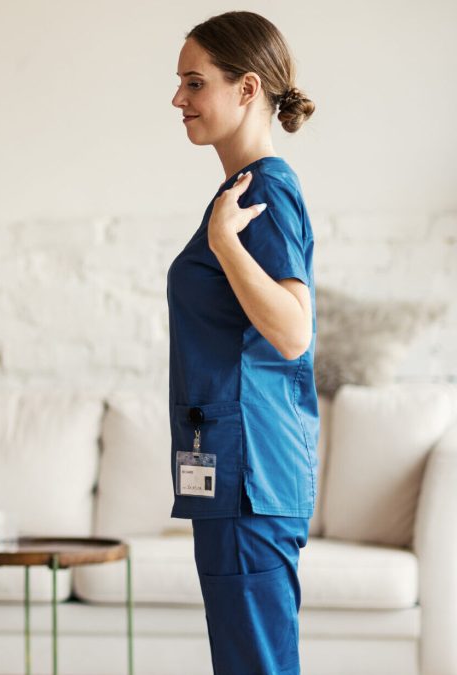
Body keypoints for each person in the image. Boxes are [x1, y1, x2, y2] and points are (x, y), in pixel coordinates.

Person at [167, 11, 318, 675]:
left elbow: (292, 331)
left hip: (250, 476)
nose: (179, 100)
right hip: (236, 474)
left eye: (194, 83)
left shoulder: (263, 196)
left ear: (248, 88)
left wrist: (225, 243)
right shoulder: (239, 193)